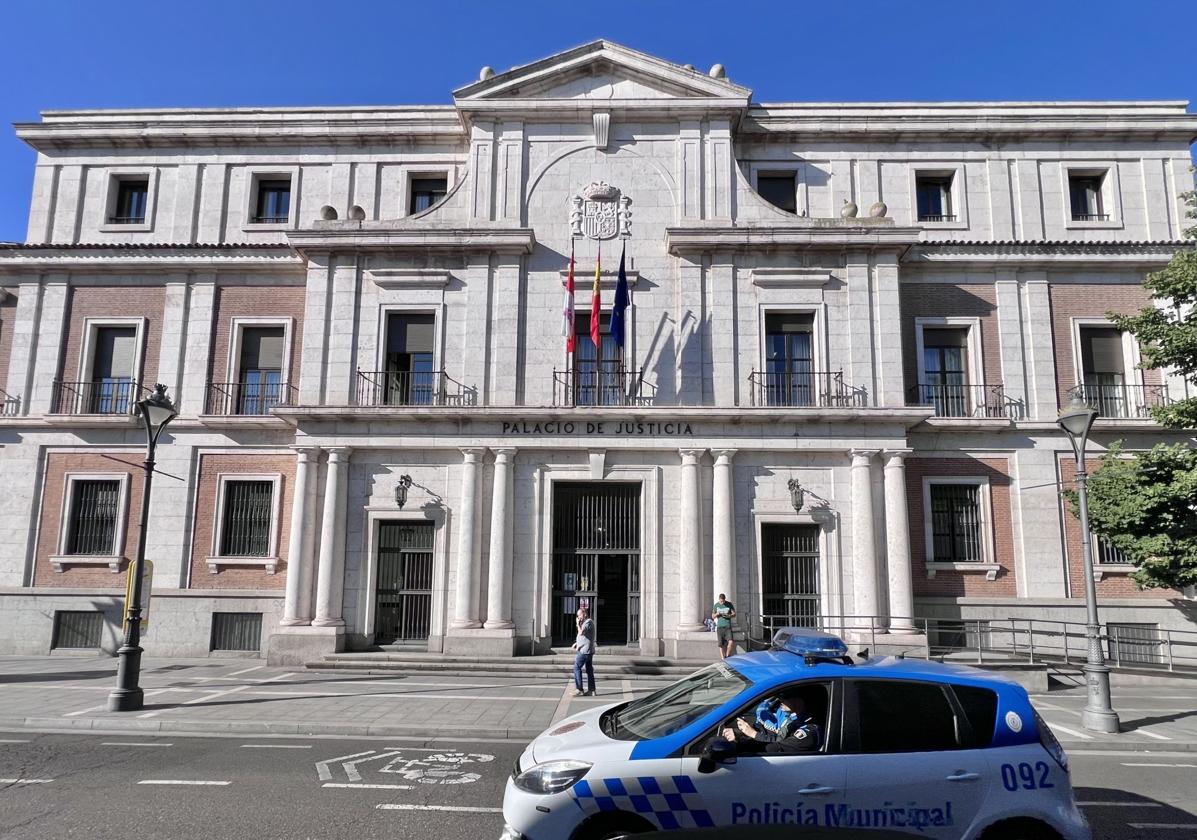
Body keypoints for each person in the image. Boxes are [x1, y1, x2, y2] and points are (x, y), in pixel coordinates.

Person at [721, 693, 821, 755]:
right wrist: (740, 733)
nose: (779, 699)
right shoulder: (785, 712)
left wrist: (744, 739)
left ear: (799, 700)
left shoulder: (808, 733)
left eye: (783, 696)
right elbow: (770, 732)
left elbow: (774, 748)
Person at [571, 606, 596, 697]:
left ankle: (579, 689)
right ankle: (591, 690)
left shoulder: (588, 622)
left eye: (579, 615)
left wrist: (577, 624)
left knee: (576, 667)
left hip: (585, 651)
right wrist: (577, 643)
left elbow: (581, 632)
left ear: (584, 614)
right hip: (587, 650)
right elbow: (584, 637)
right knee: (589, 670)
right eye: (577, 616)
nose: (578, 617)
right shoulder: (586, 622)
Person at [711, 593, 736, 659]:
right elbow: (713, 617)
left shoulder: (729, 604)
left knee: (731, 642)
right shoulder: (716, 605)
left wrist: (729, 616)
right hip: (720, 627)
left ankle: (727, 656)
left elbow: (734, 614)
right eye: (721, 601)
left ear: (725, 600)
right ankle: (723, 658)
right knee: (720, 644)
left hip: (727, 626)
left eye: (723, 601)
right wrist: (717, 614)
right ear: (719, 599)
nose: (722, 602)